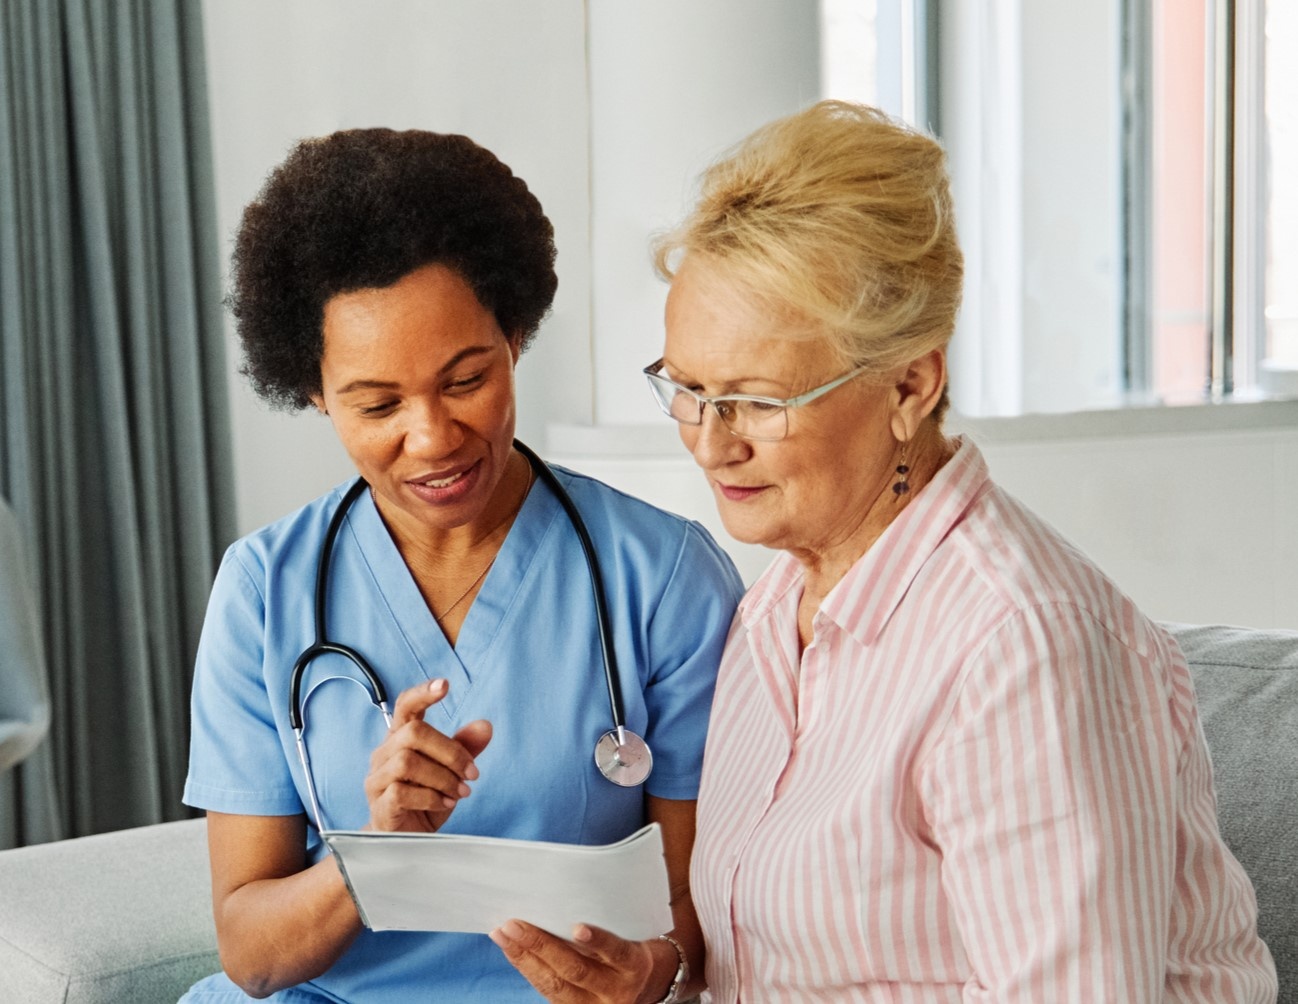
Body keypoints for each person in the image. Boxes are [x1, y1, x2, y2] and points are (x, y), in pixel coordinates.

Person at [645, 100, 1278, 1002]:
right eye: (689, 388)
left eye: (756, 399)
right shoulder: (772, 606)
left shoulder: (1023, 644)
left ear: (910, 384)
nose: (710, 442)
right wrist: (664, 974)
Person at [180, 128, 743, 1002]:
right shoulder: (263, 590)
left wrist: (653, 971)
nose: (434, 437)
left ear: (514, 334)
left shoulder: (662, 577)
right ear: (313, 390)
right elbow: (252, 955)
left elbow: (709, 901)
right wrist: (376, 845)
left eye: (465, 379)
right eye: (377, 403)